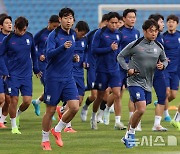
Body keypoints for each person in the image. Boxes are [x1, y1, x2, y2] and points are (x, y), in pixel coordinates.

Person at [117, 19, 168, 148]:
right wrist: (128, 68)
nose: (154, 33)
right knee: (141, 108)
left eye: (156, 31)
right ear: (145, 31)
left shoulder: (158, 46)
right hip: (134, 81)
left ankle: (127, 136)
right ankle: (131, 133)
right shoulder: (135, 44)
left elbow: (165, 59)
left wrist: (163, 65)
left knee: (141, 110)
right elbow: (120, 56)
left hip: (148, 83)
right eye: (151, 31)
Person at [41, 8, 79, 151]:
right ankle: (45, 140)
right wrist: (62, 48)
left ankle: (57, 129)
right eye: (65, 18)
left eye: (71, 18)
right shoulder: (54, 35)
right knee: (50, 111)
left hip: (68, 77)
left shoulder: (73, 35)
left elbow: (70, 53)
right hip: (53, 78)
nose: (68, 21)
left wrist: (74, 57)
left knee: (75, 106)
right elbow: (49, 54)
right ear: (60, 19)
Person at [0, 16, 41, 134]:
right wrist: (4, 71)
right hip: (12, 75)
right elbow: (1, 55)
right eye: (20, 30)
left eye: (24, 30)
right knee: (13, 99)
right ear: (15, 28)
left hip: (27, 74)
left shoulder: (29, 36)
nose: (23, 32)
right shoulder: (8, 39)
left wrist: (36, 68)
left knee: (27, 101)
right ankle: (14, 127)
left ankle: (17, 114)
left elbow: (34, 53)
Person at [103, 9, 140, 130]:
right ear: (124, 19)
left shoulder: (136, 33)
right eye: (130, 17)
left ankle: (133, 121)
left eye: (134, 17)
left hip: (132, 67)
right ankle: (111, 113)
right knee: (117, 93)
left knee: (134, 94)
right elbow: (115, 50)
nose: (132, 19)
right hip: (119, 67)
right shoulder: (119, 33)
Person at [90, 11, 123, 130]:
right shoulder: (100, 33)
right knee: (99, 96)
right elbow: (94, 50)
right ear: (107, 22)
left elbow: (118, 51)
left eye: (116, 23)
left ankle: (118, 122)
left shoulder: (119, 34)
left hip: (114, 69)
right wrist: (109, 48)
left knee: (117, 94)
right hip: (101, 69)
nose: (114, 25)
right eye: (112, 23)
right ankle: (93, 117)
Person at [56, 20, 89, 132]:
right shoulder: (70, 38)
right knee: (72, 100)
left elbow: (86, 53)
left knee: (79, 101)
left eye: (85, 34)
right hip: (70, 72)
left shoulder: (84, 40)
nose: (83, 35)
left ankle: (62, 110)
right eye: (82, 33)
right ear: (77, 30)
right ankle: (67, 126)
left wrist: (85, 61)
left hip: (80, 73)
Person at [80, 14, 109, 122]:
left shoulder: (110, 36)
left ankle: (99, 117)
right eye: (105, 23)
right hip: (92, 66)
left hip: (104, 67)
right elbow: (85, 49)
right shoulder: (92, 35)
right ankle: (85, 107)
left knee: (105, 95)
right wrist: (85, 60)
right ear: (102, 22)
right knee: (94, 95)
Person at [31, 15, 60, 116]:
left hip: (53, 63)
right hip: (42, 64)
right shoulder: (41, 34)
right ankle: (49, 112)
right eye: (54, 26)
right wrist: (39, 55)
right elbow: (32, 46)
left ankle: (37, 102)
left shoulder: (58, 34)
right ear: (49, 23)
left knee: (51, 87)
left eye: (57, 26)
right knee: (49, 86)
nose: (55, 28)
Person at [148, 14, 168, 131]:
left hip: (159, 73)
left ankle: (157, 124)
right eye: (161, 21)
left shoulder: (161, 38)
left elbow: (163, 58)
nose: (163, 24)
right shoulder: (144, 41)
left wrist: (163, 64)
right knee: (144, 100)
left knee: (162, 96)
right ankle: (136, 123)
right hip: (146, 73)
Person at [163, 14, 180, 121]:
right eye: (169, 21)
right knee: (167, 92)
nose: (170, 23)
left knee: (173, 95)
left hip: (177, 70)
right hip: (166, 70)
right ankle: (165, 114)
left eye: (173, 22)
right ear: (166, 24)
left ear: (177, 24)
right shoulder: (163, 37)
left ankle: (161, 103)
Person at [0, 15, 12, 128]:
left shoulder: (13, 38)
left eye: (10, 22)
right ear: (1, 26)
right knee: (1, 98)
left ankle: (2, 120)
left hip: (10, 72)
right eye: (6, 22)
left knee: (8, 99)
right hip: (1, 71)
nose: (9, 24)